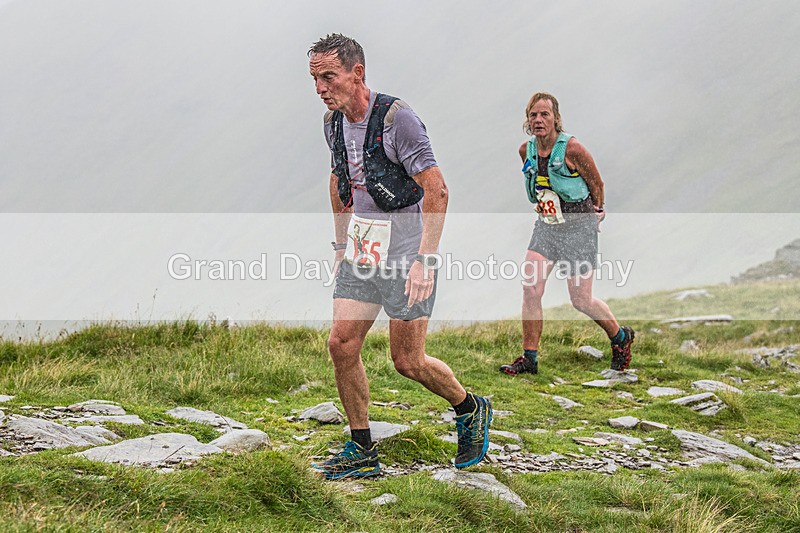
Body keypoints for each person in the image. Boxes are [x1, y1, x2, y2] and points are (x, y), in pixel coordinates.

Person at [308, 33, 492, 480]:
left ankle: (470, 407)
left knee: (408, 361)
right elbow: (339, 181)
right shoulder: (333, 123)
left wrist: (425, 260)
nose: (320, 88)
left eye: (328, 77)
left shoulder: (397, 120)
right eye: (314, 79)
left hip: (408, 252)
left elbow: (437, 190)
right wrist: (340, 245)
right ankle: (361, 449)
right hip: (363, 248)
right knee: (341, 344)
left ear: (357, 73)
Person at [500, 92, 635, 376]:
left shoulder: (573, 149)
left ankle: (620, 337)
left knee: (581, 300)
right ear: (527, 120)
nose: (538, 120)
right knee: (531, 288)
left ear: (556, 118)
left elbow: (596, 183)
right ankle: (529, 359)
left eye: (544, 114)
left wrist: (598, 210)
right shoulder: (526, 151)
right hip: (547, 226)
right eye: (533, 115)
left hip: (578, 226)